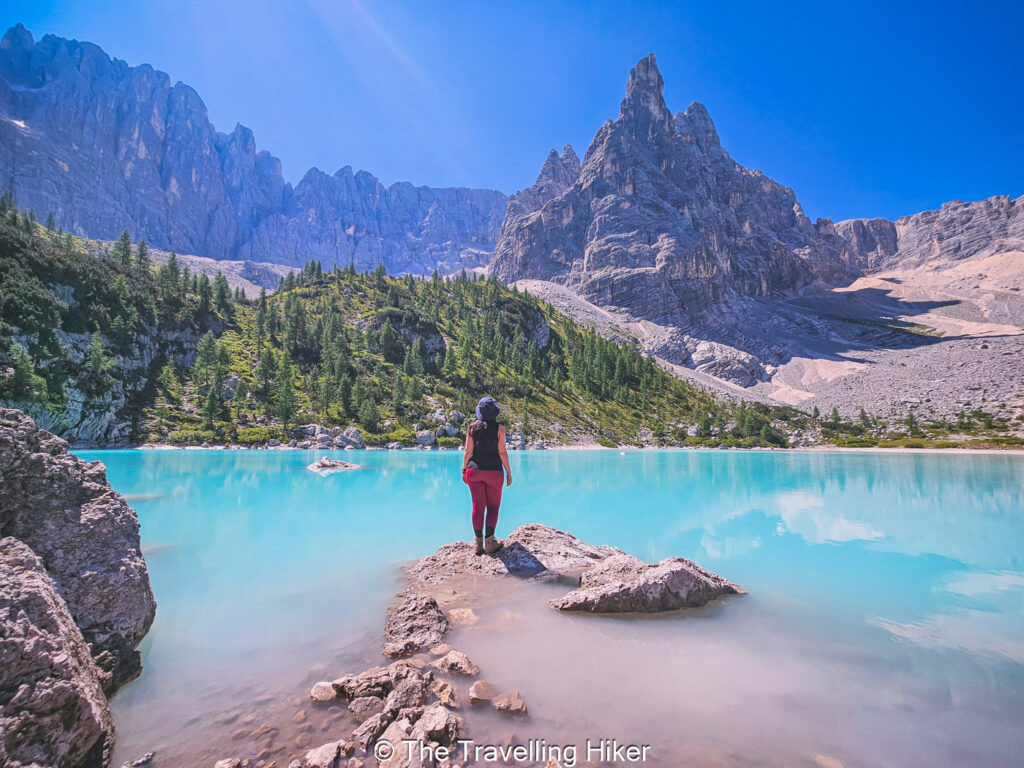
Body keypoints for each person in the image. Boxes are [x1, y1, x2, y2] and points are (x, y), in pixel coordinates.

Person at [462, 396, 513, 555]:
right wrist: (508, 473)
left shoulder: (471, 428)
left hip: (474, 471)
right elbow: (502, 452)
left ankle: (478, 544)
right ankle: (490, 542)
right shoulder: (500, 429)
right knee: (493, 507)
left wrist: (464, 469)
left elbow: (468, 451)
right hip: (494, 472)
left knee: (478, 506)